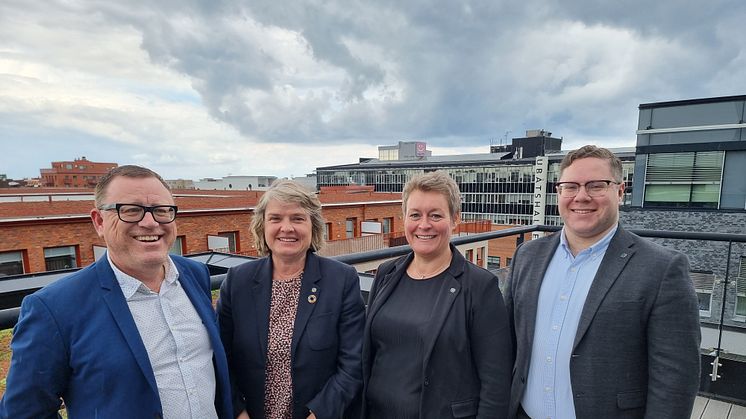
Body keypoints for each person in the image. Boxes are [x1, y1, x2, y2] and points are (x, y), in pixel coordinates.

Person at [0, 165, 232, 418]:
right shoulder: (53, 308)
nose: (150, 222)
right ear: (99, 221)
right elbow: (24, 411)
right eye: (130, 211)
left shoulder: (195, 275)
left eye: (162, 210)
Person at [506, 145, 701, 419]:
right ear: (559, 193)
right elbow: (509, 343)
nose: (581, 197)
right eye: (570, 186)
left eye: (596, 186)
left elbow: (675, 379)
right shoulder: (528, 255)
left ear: (620, 192)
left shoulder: (662, 269)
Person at [361, 171, 513, 419]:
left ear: (455, 219)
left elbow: (495, 383)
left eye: (435, 215)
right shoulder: (387, 273)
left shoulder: (479, 287)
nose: (424, 225)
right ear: (404, 219)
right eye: (415, 215)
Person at [218, 179, 365, 419]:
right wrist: (238, 412)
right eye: (275, 218)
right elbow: (220, 357)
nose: (287, 228)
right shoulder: (238, 281)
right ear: (262, 226)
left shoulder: (341, 280)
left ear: (313, 227)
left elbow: (353, 363)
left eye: (297, 218)